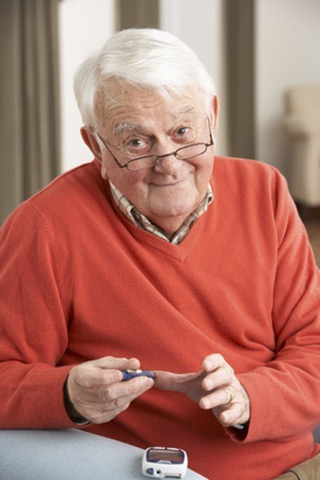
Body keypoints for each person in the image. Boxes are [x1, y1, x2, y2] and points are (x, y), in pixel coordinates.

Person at [0, 28, 319, 480]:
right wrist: (68, 393)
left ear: (212, 116)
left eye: (183, 131)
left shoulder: (264, 191)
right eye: (137, 143)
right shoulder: (43, 226)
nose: (169, 162)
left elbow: (313, 345)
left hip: (296, 466)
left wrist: (249, 398)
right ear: (96, 147)